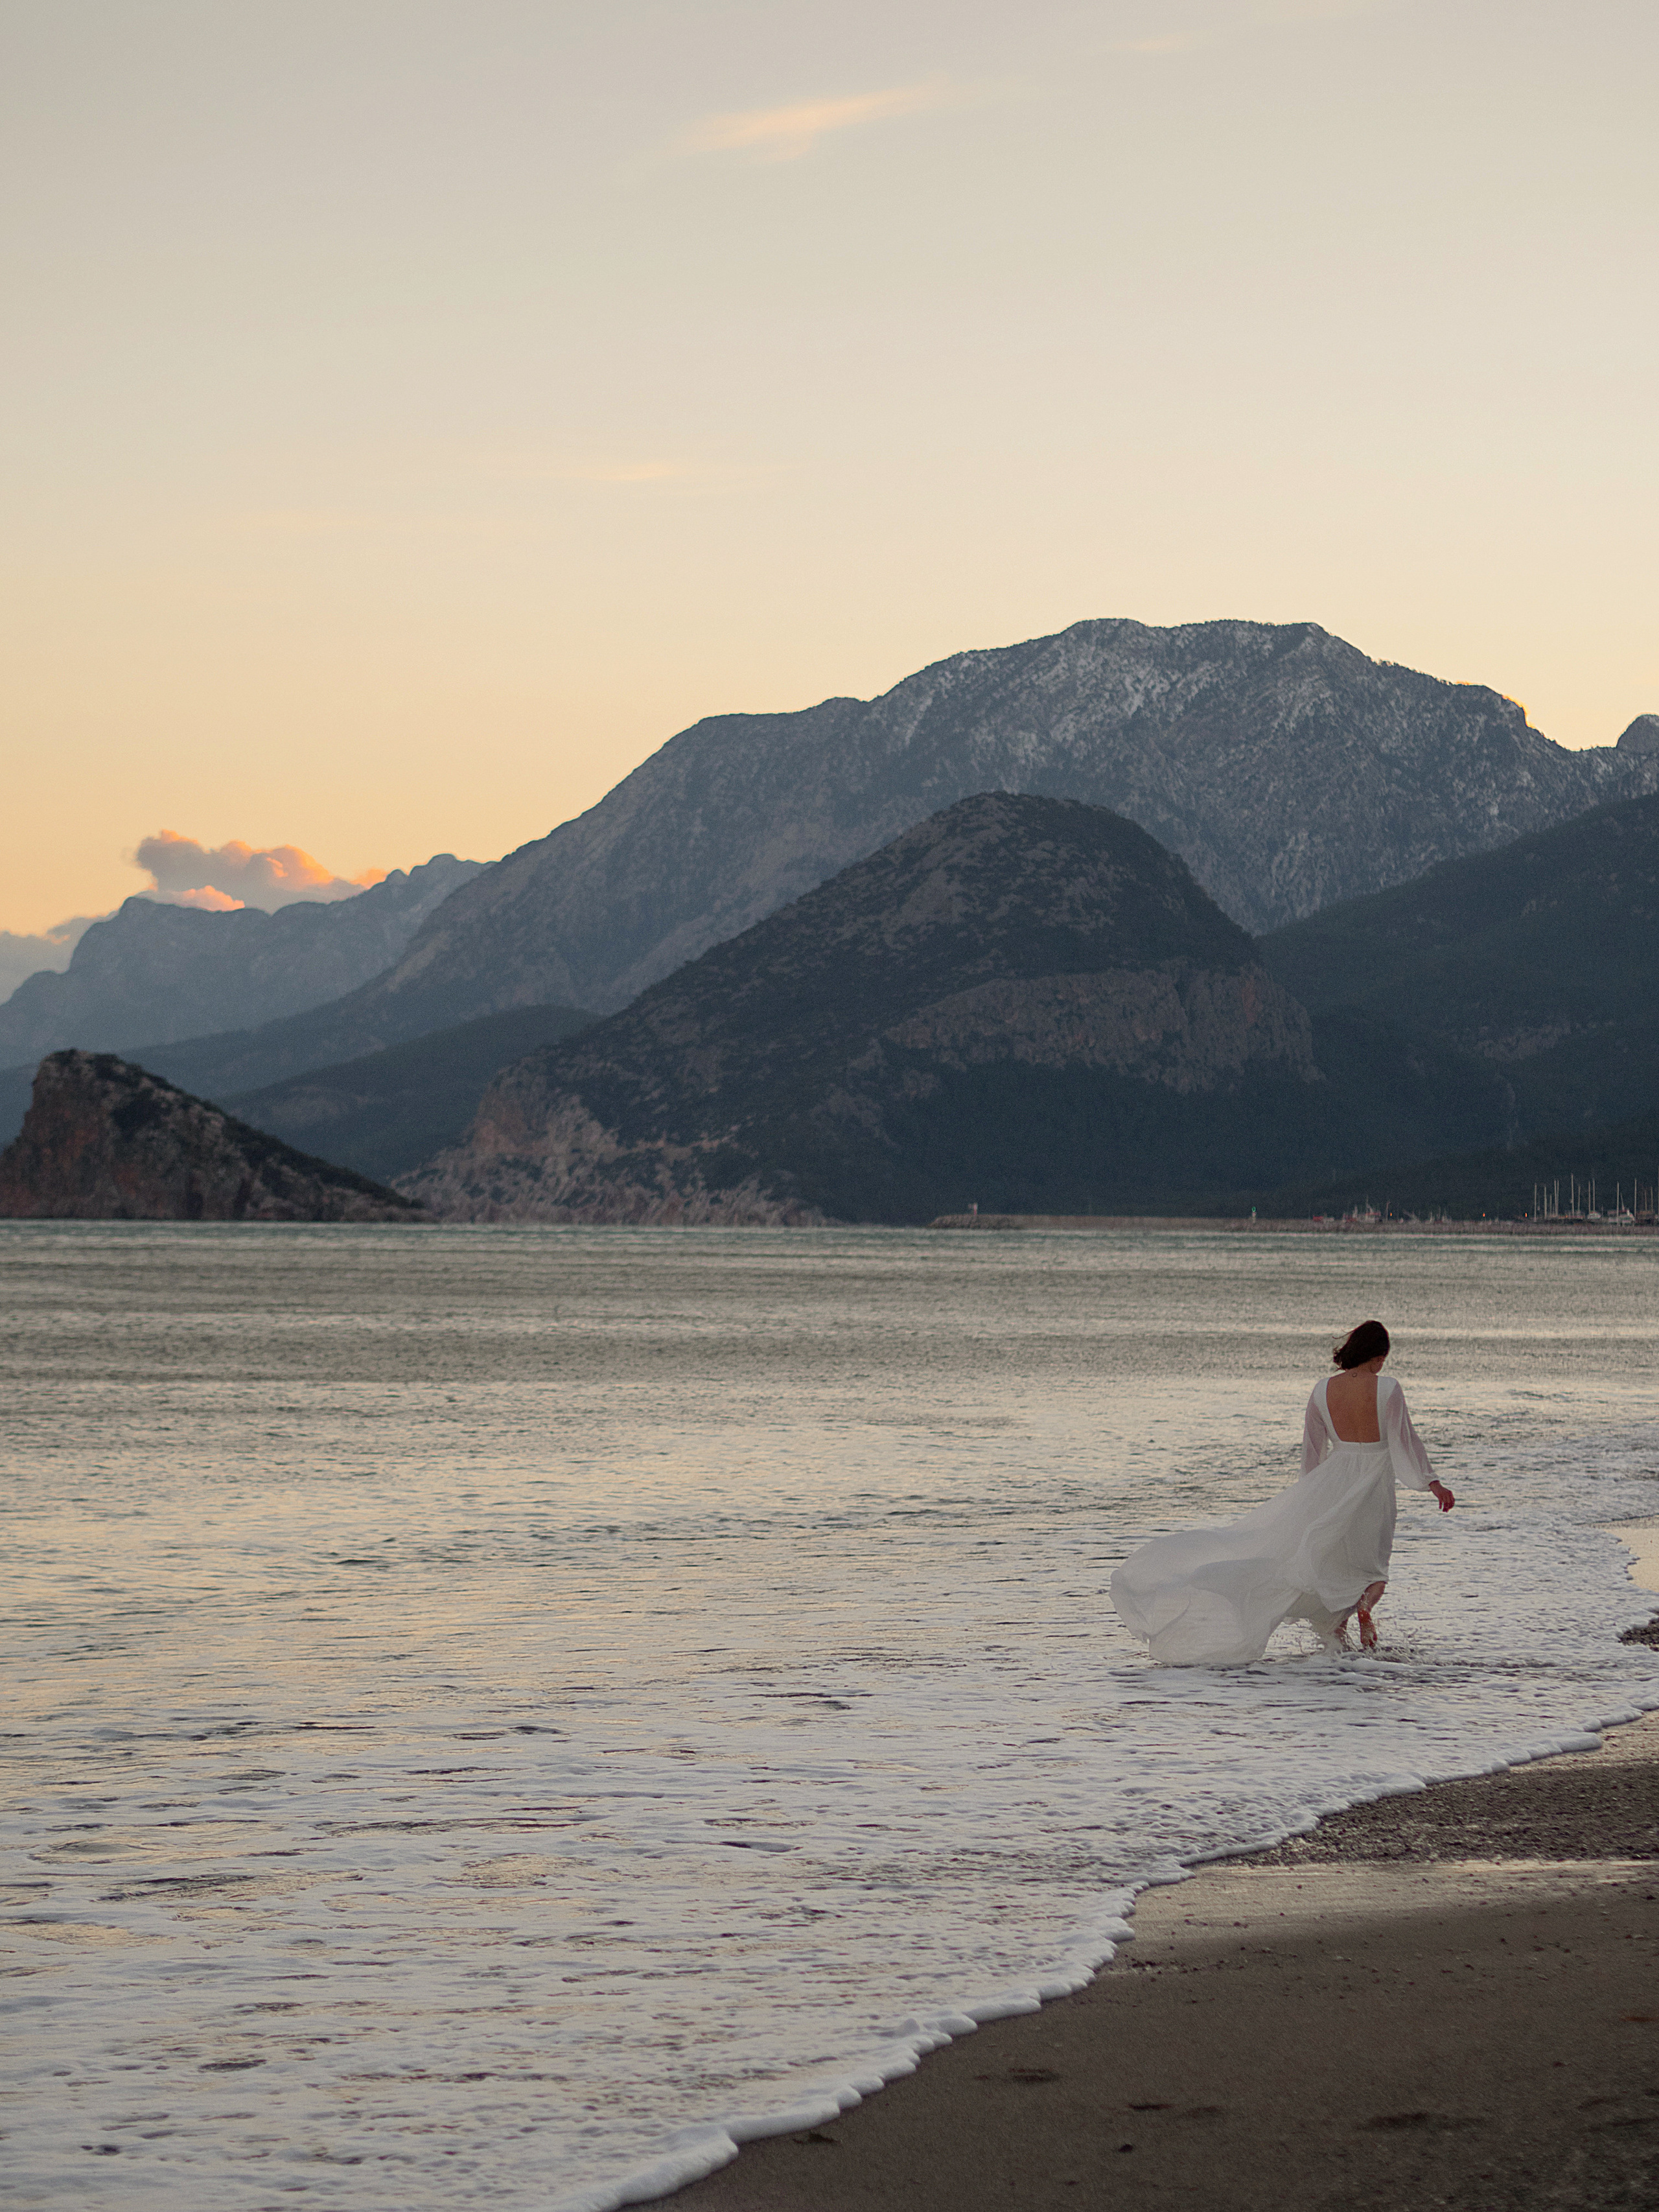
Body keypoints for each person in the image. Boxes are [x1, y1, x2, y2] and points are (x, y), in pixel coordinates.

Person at [1109, 1320, 1454, 1666]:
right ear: (1379, 1355)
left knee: (1332, 1562)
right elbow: (1404, 1441)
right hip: (1374, 1481)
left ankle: (1338, 1653)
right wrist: (1432, 1482)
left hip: (1332, 1482)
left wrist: (1310, 1495)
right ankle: (1364, 1609)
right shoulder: (1388, 1388)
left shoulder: (1322, 1390)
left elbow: (1312, 1451)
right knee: (1374, 1568)